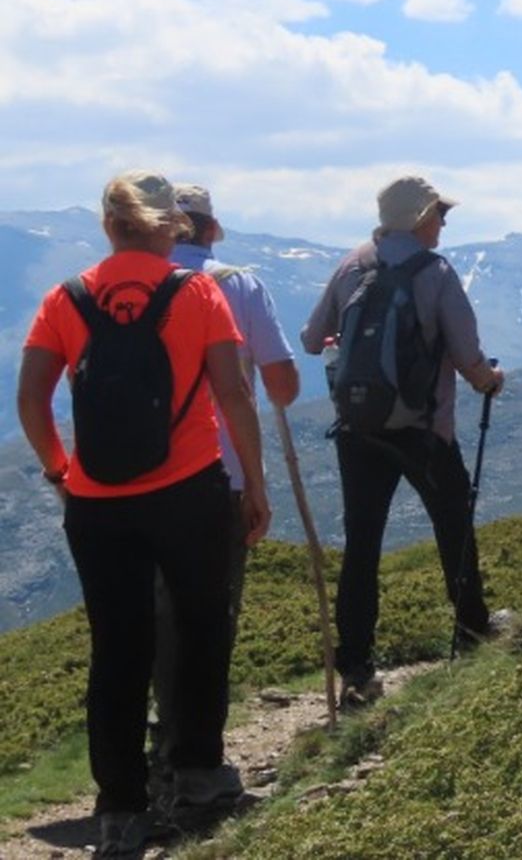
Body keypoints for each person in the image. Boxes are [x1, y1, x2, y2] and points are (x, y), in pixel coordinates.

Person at [15, 172, 271, 859]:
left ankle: (120, 808)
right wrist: (256, 486)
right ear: (169, 228)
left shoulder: (65, 298)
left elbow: (32, 400)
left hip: (98, 505)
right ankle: (197, 774)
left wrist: (60, 472)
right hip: (186, 490)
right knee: (200, 628)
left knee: (118, 650)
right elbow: (233, 395)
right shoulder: (198, 293)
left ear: (109, 226)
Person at [300, 175, 505, 709]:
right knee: (452, 522)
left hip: (358, 429)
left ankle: (357, 665)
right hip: (423, 428)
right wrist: (489, 380)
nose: (443, 223)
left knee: (363, 543)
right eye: (439, 213)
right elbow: (466, 355)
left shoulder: (351, 265)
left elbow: (309, 337)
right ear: (419, 218)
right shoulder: (435, 272)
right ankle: (472, 628)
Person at [146, 184, 301, 792]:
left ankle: (159, 745)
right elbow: (283, 383)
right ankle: (197, 766)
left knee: (154, 616)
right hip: (221, 475)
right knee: (210, 618)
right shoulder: (237, 284)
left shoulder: (121, 287)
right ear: (210, 230)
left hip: (134, 481)